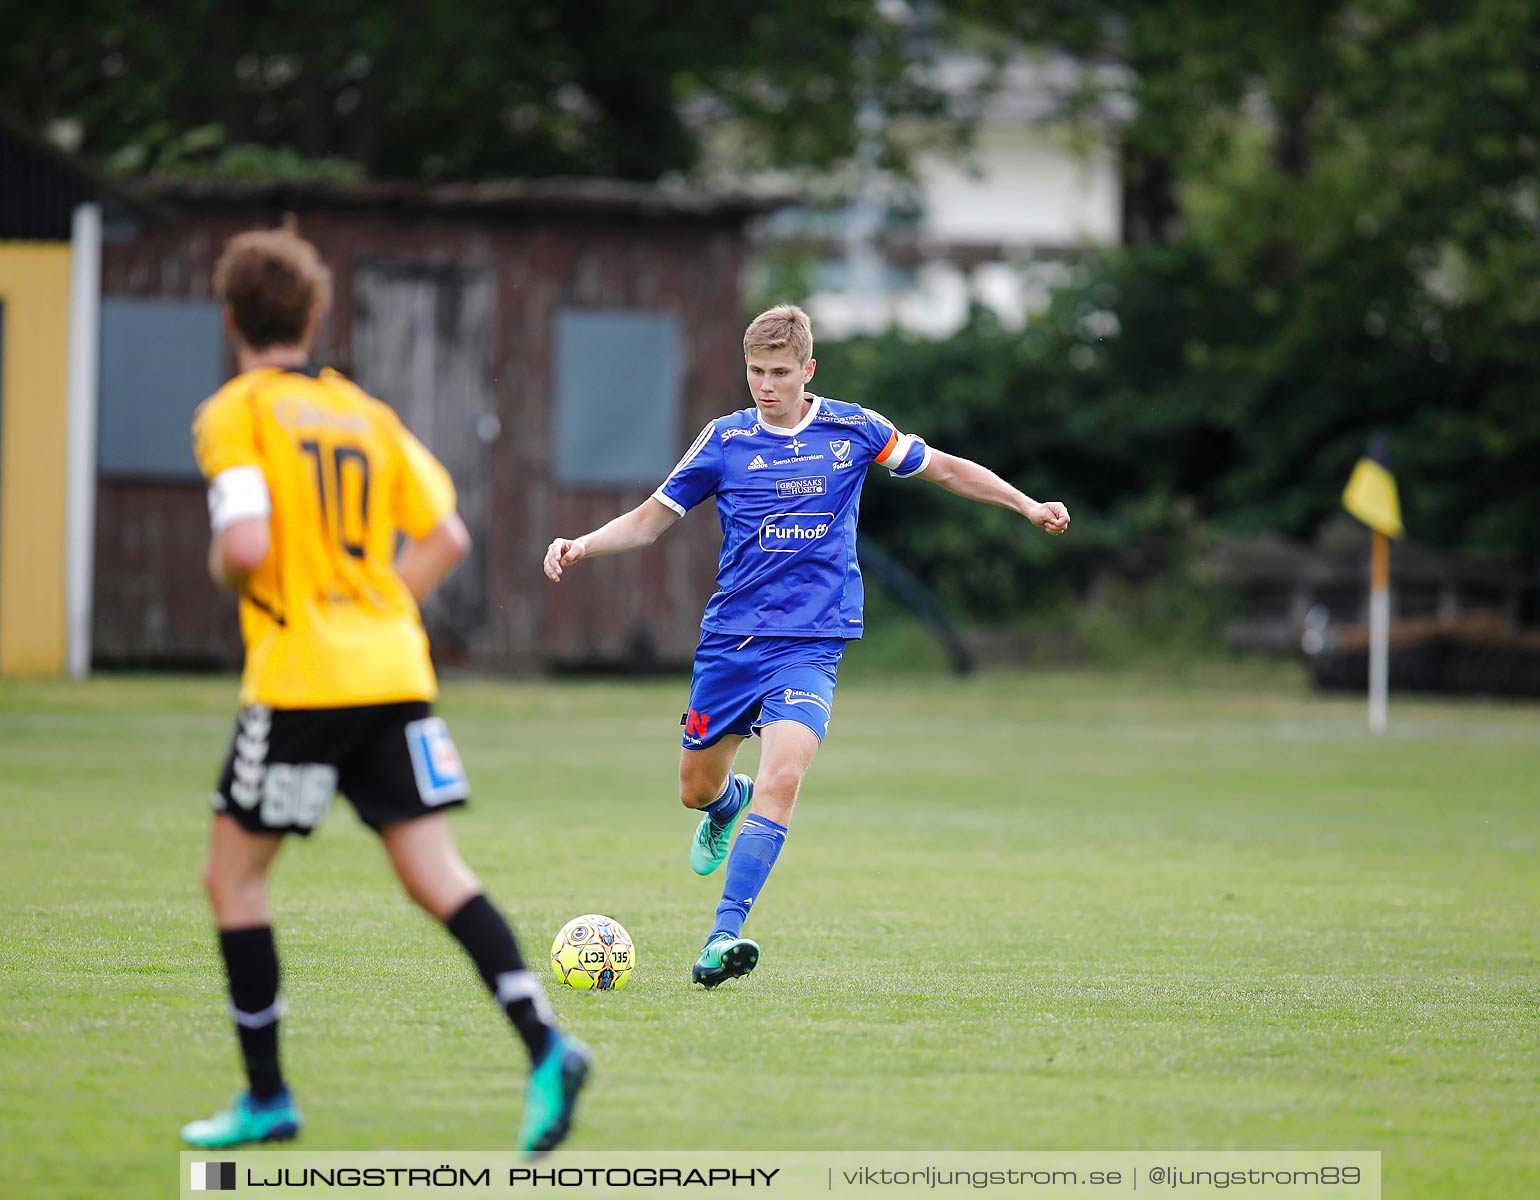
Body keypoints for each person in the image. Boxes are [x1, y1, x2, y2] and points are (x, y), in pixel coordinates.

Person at [184, 223, 589, 1156]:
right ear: (316, 315)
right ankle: (544, 1046)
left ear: (231, 317)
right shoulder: (364, 412)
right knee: (435, 874)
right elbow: (446, 534)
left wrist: (245, 578)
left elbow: (244, 546)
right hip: (393, 672)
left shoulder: (237, 411)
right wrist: (373, 612)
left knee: (233, 878)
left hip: (301, 682)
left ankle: (268, 1098)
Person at [543, 304, 1069, 987]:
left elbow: (942, 469)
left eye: (780, 372)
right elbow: (648, 522)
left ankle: (721, 937)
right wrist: (581, 544)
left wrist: (1025, 504)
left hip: (811, 644)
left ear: (808, 370)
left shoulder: (854, 430)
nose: (766, 385)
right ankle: (723, 807)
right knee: (694, 787)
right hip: (731, 644)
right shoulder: (725, 441)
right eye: (756, 371)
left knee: (784, 775)